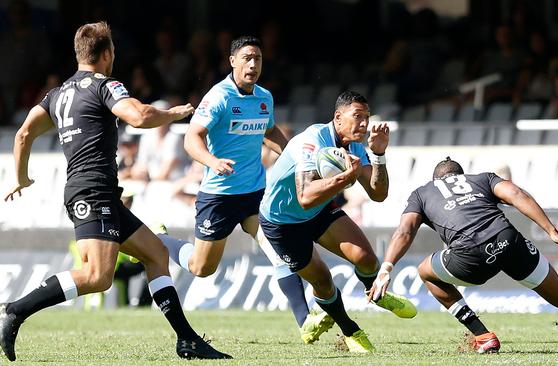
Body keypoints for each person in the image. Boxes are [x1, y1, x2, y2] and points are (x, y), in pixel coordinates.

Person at [0, 22, 230, 361]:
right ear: (107, 54)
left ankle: (187, 340)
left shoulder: (58, 94)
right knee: (98, 276)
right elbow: (137, 116)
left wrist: (20, 177)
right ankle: (15, 310)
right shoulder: (105, 86)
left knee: (155, 254)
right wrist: (173, 113)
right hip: (92, 193)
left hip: (99, 192)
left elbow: (23, 135)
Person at [369, 157, 558, 355]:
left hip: (469, 255)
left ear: (436, 179)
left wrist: (387, 269)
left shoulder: (422, 193)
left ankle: (482, 335)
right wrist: (551, 231)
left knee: (425, 272)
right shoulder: (481, 178)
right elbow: (516, 193)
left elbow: (405, 231)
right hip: (508, 240)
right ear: (460, 175)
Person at [156, 36, 333, 344]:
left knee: (279, 251)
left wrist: (297, 157)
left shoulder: (264, 98)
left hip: (254, 194)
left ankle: (304, 321)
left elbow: (270, 132)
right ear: (233, 61)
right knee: (201, 267)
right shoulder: (219, 97)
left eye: (259, 59)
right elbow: (191, 138)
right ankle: (160, 242)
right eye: (248, 58)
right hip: (219, 195)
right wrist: (213, 160)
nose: (253, 64)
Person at [258, 91, 417, 354]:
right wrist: (345, 178)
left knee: (366, 259)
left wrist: (378, 155)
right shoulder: (311, 141)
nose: (364, 124)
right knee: (323, 281)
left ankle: (376, 292)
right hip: (282, 222)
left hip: (319, 211)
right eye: (358, 117)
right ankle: (350, 330)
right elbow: (306, 196)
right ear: (337, 118)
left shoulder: (354, 145)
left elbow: (378, 194)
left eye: (366, 117)